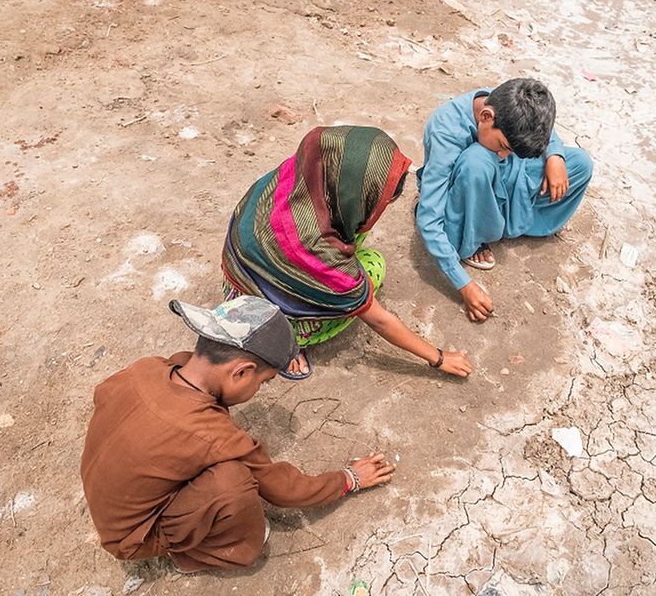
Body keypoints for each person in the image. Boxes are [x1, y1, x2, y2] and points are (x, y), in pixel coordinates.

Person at [80, 296, 396, 572]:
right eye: (263, 382)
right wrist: (348, 478)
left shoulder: (145, 368)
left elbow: (103, 396)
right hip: (132, 537)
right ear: (241, 372)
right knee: (232, 483)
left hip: (106, 495)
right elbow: (283, 489)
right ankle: (204, 554)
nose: (259, 389)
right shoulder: (211, 434)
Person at [222, 125, 473, 379]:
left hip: (237, 280)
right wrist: (439, 358)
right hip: (270, 317)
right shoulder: (321, 252)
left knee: (352, 230)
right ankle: (286, 343)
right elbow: (379, 319)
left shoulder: (300, 171)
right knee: (374, 265)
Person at [415, 78, 594, 322]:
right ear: (486, 116)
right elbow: (428, 218)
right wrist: (463, 284)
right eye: (503, 145)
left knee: (580, 164)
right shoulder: (446, 131)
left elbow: (540, 131)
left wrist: (555, 157)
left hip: (505, 176)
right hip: (467, 187)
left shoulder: (511, 105)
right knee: (476, 161)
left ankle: (497, 221)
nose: (503, 153)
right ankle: (473, 234)